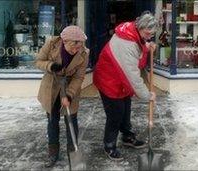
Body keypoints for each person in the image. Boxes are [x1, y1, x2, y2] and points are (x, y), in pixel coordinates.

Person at [93, 11, 158, 161]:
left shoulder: (133, 32)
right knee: (115, 114)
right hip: (109, 80)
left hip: (120, 80)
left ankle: (127, 137)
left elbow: (139, 46)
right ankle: (109, 145)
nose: (149, 37)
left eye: (152, 35)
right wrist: (147, 95)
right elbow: (133, 77)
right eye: (148, 34)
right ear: (140, 27)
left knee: (126, 109)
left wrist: (147, 46)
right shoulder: (126, 44)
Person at [35, 26, 89, 167]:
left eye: (78, 47)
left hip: (70, 87)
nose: (75, 50)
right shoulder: (51, 44)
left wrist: (70, 95)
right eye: (73, 47)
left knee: (71, 120)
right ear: (64, 41)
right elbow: (38, 61)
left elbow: (79, 77)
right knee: (52, 121)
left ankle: (73, 153)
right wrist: (51, 66)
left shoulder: (83, 53)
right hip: (51, 87)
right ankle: (53, 153)